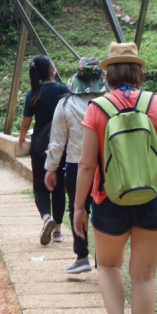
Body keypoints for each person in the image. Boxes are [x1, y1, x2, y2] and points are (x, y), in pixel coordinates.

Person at [73, 42, 157, 314]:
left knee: (108, 265)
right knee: (143, 276)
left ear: (108, 74)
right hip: (154, 199)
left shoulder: (97, 108)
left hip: (109, 200)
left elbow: (86, 164)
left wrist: (78, 207)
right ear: (138, 71)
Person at [44, 57, 107, 275]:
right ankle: (103, 259)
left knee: (78, 208)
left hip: (75, 166)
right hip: (104, 166)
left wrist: (51, 168)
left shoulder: (66, 105)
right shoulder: (108, 102)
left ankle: (82, 256)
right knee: (103, 210)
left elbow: (57, 141)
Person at [18, 54, 70, 245]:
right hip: (61, 145)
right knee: (58, 188)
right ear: (51, 70)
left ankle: (46, 218)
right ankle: (57, 231)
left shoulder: (33, 93)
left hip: (40, 146)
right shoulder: (62, 89)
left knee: (40, 187)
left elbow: (26, 122)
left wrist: (22, 138)